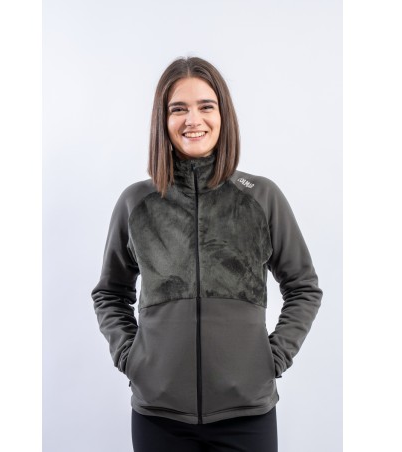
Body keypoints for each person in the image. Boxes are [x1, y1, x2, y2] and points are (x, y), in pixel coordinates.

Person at [91, 56, 323, 452]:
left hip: (247, 415)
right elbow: (110, 293)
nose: (193, 120)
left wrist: (273, 359)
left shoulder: (261, 197)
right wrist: (131, 358)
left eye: (205, 106)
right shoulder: (136, 203)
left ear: (223, 115)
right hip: (158, 416)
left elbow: (303, 287)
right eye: (178, 109)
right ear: (162, 120)